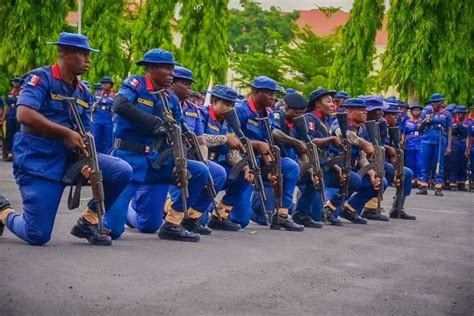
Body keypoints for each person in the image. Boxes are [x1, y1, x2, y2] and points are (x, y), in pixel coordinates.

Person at [0, 32, 132, 246]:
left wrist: (88, 161)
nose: (88, 59)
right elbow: (24, 114)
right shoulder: (40, 78)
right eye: (83, 54)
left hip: (70, 159)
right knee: (37, 235)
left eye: (89, 54)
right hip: (38, 160)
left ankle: (89, 221)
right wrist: (65, 133)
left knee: (121, 170)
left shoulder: (83, 92)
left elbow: (86, 132)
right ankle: (3, 211)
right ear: (65, 53)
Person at [105, 48, 209, 242]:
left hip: (155, 161)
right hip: (129, 158)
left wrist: (184, 155)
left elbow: (180, 127)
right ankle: (121, 208)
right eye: (167, 68)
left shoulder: (170, 97)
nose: (172, 73)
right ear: (152, 68)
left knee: (200, 171)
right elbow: (119, 105)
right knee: (112, 231)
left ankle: (172, 224)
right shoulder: (136, 84)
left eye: (172, 68)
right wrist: (153, 123)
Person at [126, 66, 228, 235]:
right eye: (185, 84)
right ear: (172, 84)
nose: (190, 89)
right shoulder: (157, 101)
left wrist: (202, 162)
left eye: (190, 85)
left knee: (207, 171)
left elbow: (199, 140)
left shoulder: (192, 109)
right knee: (148, 225)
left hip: (180, 160)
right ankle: (128, 211)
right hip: (154, 160)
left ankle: (175, 221)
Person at [221, 76, 303, 231]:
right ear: (256, 92)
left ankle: (282, 215)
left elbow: (268, 139)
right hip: (239, 163)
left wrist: (271, 164)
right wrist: (257, 144)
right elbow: (230, 139)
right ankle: (217, 210)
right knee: (241, 220)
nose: (274, 97)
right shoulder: (240, 110)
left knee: (290, 167)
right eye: (270, 93)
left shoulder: (269, 113)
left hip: (259, 161)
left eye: (274, 94)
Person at [271, 92, 322, 228]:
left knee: (315, 175)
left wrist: (310, 169)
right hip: (273, 163)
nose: (299, 116)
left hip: (291, 164)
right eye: (296, 112)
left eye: (301, 113)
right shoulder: (278, 115)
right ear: (286, 108)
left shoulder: (298, 123)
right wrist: (294, 141)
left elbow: (302, 151)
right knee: (253, 215)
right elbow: (274, 133)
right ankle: (281, 214)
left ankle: (301, 214)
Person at [417, 93, 452, 196]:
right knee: (425, 163)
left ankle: (438, 186)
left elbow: (449, 130)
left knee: (439, 163)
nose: (435, 104)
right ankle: (423, 186)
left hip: (440, 140)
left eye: (437, 102)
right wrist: (424, 122)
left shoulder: (446, 114)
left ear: (441, 102)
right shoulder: (426, 112)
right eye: (433, 102)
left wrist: (449, 146)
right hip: (427, 140)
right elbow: (419, 129)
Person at [447, 106, 469, 191]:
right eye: (459, 112)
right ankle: (452, 182)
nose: (460, 114)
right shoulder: (452, 122)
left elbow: (467, 136)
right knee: (453, 163)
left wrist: (467, 148)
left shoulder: (468, 122)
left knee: (462, 164)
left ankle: (461, 183)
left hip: (463, 144)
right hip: (453, 143)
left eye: (462, 113)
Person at [92, 76, 115, 153]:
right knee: (96, 139)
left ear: (111, 85)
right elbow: (90, 106)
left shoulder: (114, 96)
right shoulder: (97, 95)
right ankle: (96, 157)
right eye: (103, 83)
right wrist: (93, 107)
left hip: (108, 120)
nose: (104, 85)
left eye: (107, 83)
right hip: (97, 119)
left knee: (108, 141)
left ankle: (108, 158)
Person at [402, 105, 423, 187]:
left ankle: (419, 179)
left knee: (419, 162)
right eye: (414, 110)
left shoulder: (423, 121)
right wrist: (402, 142)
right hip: (410, 143)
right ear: (411, 112)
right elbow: (404, 133)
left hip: (419, 142)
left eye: (418, 110)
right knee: (410, 162)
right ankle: (412, 180)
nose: (416, 112)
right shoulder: (407, 121)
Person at [2, 77, 22, 161]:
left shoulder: (22, 92)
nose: (14, 83)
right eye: (13, 82)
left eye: (15, 82)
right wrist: (3, 118)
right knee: (10, 134)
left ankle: (17, 153)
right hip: (10, 116)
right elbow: (6, 106)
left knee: (19, 134)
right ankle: (10, 152)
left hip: (19, 116)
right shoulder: (9, 93)